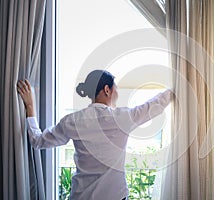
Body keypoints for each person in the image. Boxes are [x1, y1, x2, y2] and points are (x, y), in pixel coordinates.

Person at [17, 70, 173, 200]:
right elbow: (155, 105)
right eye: (116, 88)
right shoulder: (122, 118)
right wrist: (177, 88)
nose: (117, 93)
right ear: (107, 90)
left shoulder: (72, 121)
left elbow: (37, 141)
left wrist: (30, 106)